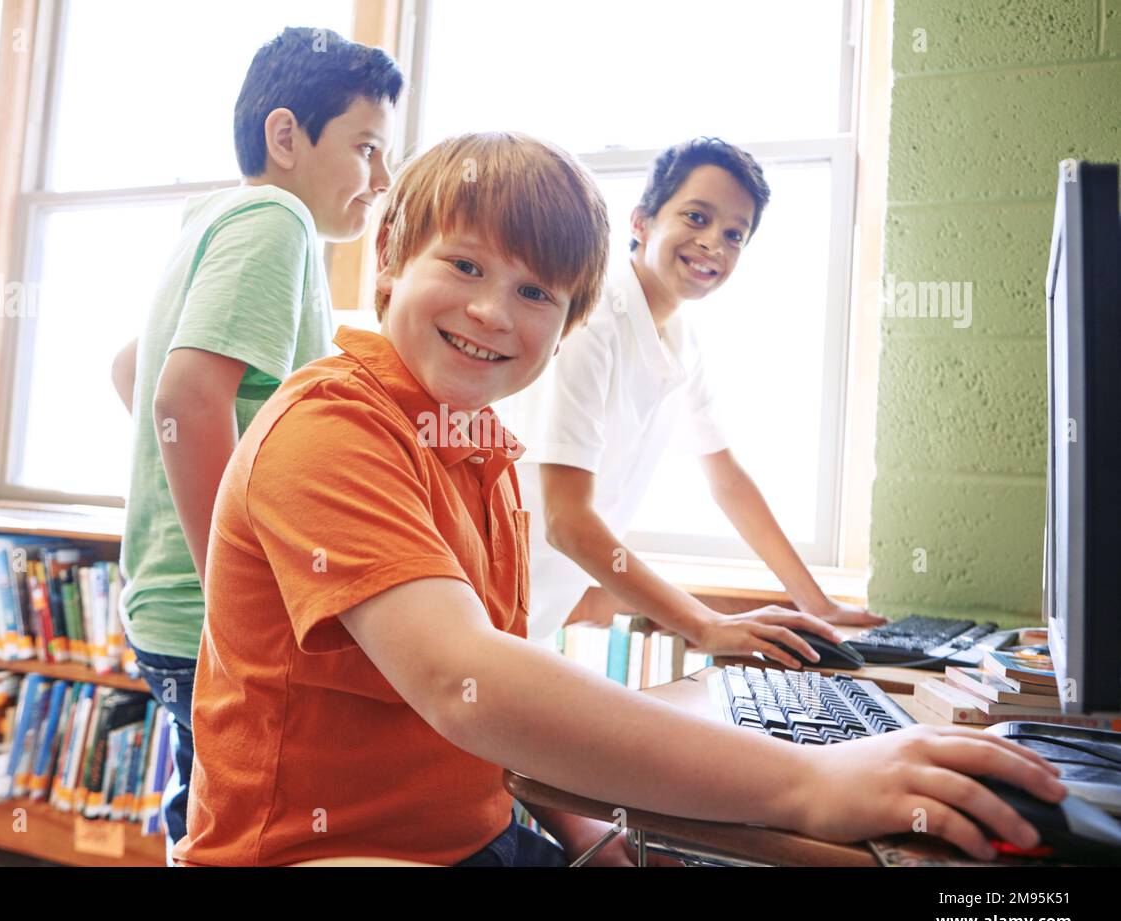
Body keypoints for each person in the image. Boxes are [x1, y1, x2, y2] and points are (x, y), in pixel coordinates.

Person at [173, 132, 1063, 867]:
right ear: (391, 266)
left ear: (563, 325)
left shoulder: (481, 448)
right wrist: (810, 782)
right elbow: (462, 684)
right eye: (466, 266)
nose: (493, 312)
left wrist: (587, 830)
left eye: (534, 293)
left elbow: (496, 700)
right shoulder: (334, 427)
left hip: (479, 831)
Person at [109, 26, 402, 858]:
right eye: (367, 148)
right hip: (207, 608)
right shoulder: (276, 218)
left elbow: (132, 371)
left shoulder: (213, 216)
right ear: (286, 136)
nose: (381, 181)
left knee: (205, 818)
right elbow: (184, 394)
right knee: (248, 839)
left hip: (166, 604)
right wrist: (235, 588)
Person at [515, 137, 886, 664]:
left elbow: (727, 480)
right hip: (482, 611)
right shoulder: (591, 322)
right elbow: (565, 521)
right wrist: (707, 625)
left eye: (735, 234)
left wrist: (816, 603)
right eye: (696, 217)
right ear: (641, 221)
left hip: (529, 621)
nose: (715, 242)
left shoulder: (679, 339)